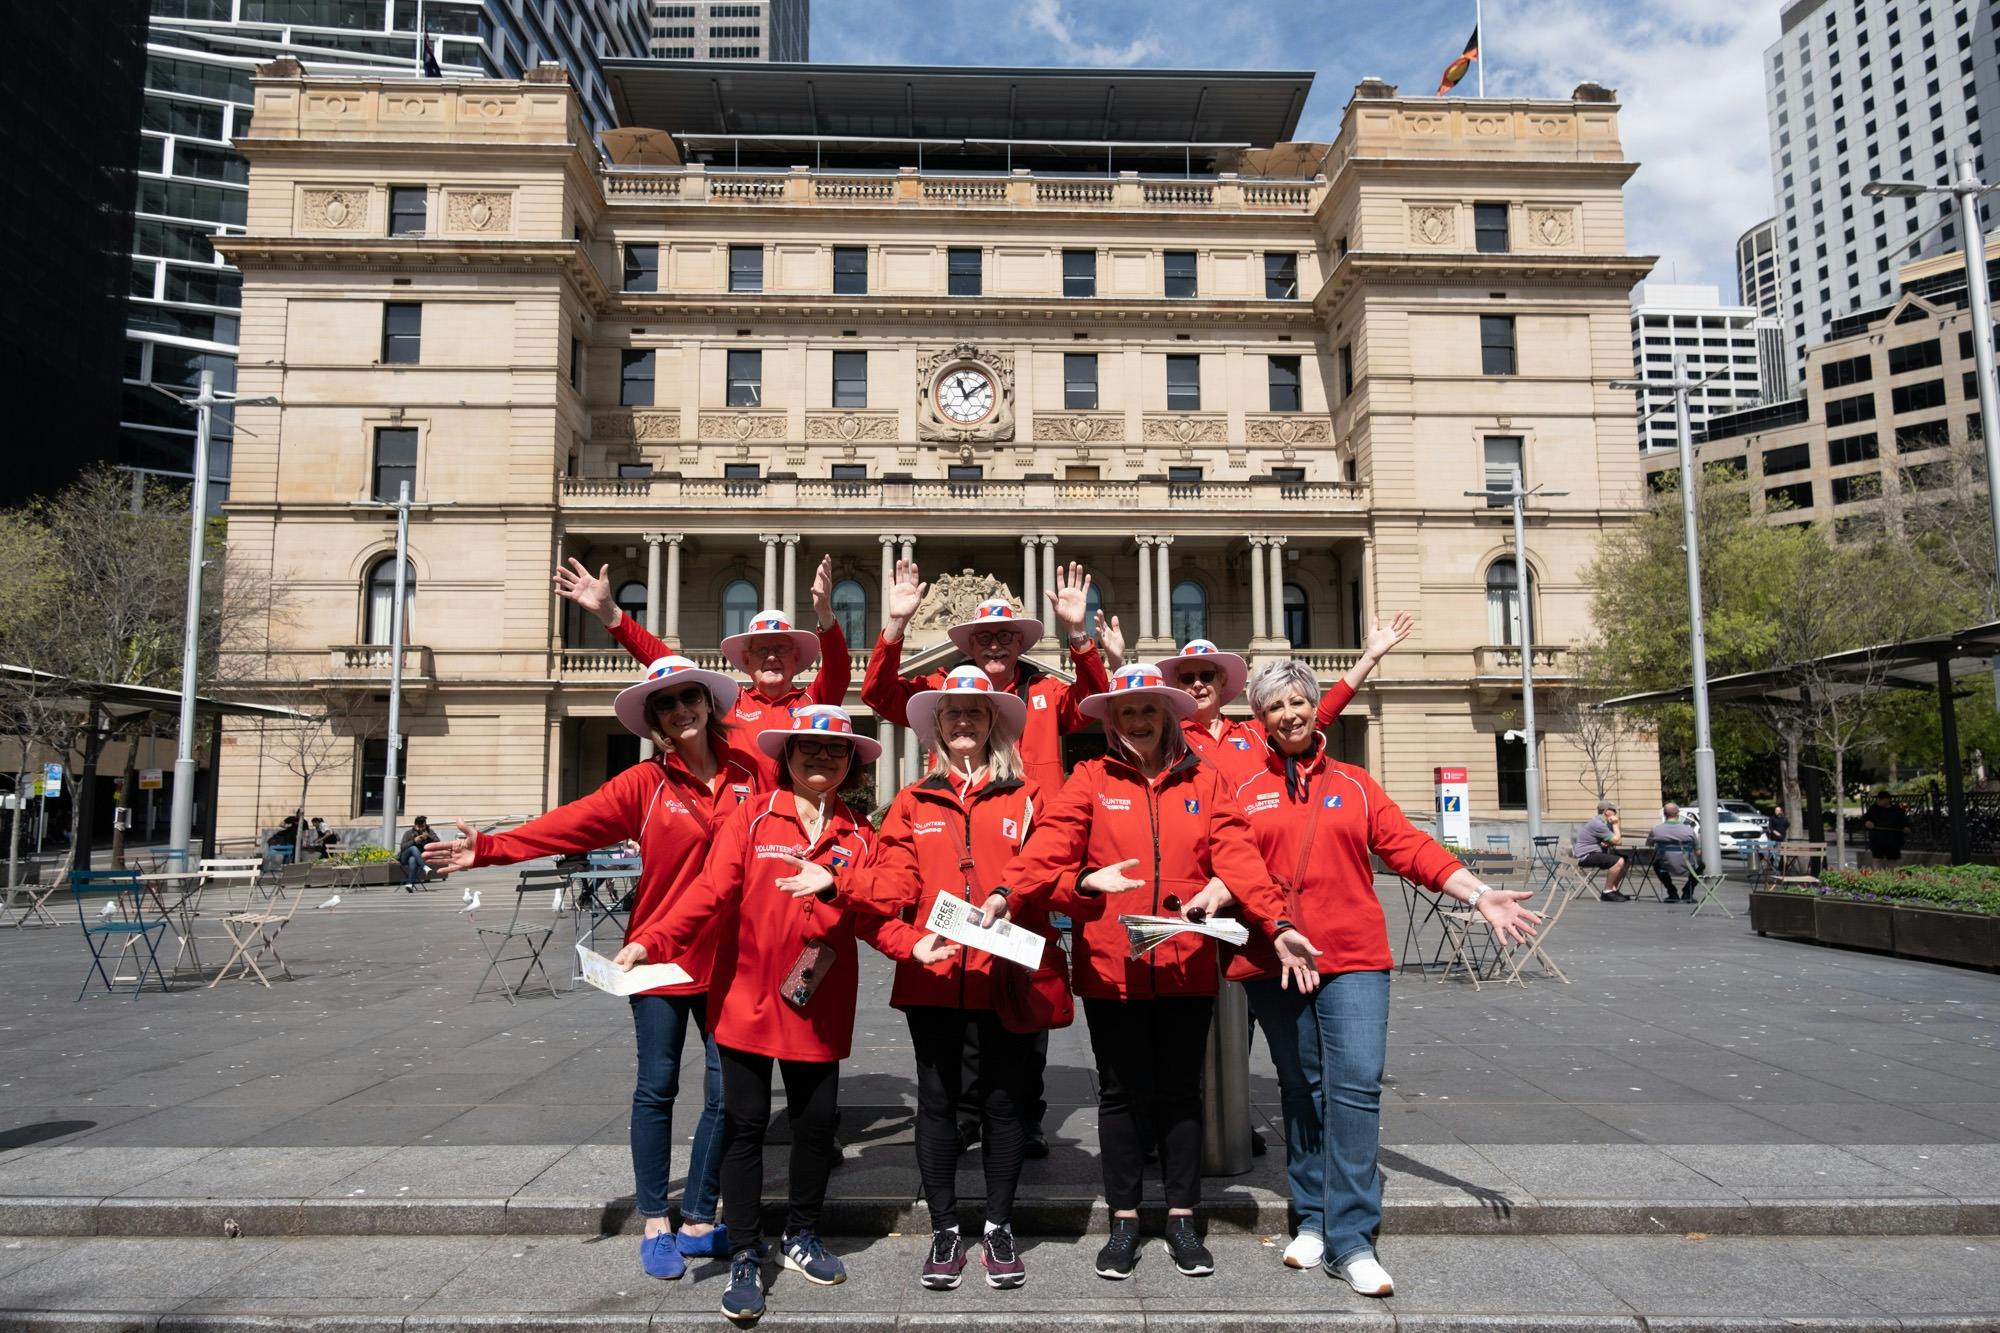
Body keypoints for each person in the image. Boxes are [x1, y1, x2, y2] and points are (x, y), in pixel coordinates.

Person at [423, 654, 765, 1284]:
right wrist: (489, 849)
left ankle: (696, 1217)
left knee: (727, 1095)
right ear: (655, 720)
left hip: (734, 959)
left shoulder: (753, 774)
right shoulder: (643, 785)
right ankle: (654, 1220)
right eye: (665, 704)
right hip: (655, 958)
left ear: (708, 703)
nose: (680, 710)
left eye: (689, 696)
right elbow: (567, 826)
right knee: (656, 1088)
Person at [611, 705, 950, 1325]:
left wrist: (914, 944)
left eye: (835, 751)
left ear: (850, 764)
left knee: (816, 1128)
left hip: (816, 1005)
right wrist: (651, 940)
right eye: (809, 749)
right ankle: (744, 1252)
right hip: (745, 997)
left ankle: (800, 1235)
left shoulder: (858, 834)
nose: (822, 758)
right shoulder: (753, 815)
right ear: (787, 758)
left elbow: (872, 918)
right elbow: (710, 893)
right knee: (742, 1126)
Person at [1223, 659, 1540, 1295]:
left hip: (1353, 958)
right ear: (1259, 718)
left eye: (1298, 701)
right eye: (1274, 706)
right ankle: (1310, 1218)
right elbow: (1230, 859)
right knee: (1302, 1089)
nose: (1289, 713)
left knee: (1356, 1086)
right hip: (1275, 958)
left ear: (1315, 708)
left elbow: (1410, 847)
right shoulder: (1242, 788)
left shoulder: (1356, 784)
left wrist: (1476, 894)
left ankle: (1351, 1238)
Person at [1000, 663, 1295, 1282]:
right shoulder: (1088, 779)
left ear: (1168, 719)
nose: (1137, 721)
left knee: (1181, 1093)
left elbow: (1238, 856)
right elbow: (1049, 847)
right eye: (1126, 712)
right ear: (1112, 722)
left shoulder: (1205, 780)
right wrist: (1013, 890)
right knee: (1121, 1094)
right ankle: (1125, 1220)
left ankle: (1183, 1218)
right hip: (1113, 966)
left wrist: (1275, 920)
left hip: (1187, 961)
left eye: (1149, 711)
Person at [774, 667, 1046, 1293]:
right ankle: (947, 1229)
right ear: (936, 728)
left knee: (1005, 1106)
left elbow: (1044, 869)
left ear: (993, 723)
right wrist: (837, 880)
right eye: (951, 713)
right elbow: (897, 884)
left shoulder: (1027, 796)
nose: (963, 722)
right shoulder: (913, 801)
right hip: (934, 972)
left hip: (1004, 974)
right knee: (939, 1104)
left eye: (975, 712)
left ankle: (999, 1227)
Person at [554, 554, 851, 762]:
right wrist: (610, 613)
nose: (771, 656)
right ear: (746, 660)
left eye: (780, 649)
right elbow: (664, 660)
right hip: (735, 833)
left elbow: (838, 670)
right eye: (761, 650)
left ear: (797, 657)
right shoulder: (726, 702)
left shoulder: (812, 702)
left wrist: (824, 614)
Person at [864, 559, 1112, 794]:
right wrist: (896, 623)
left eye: (1004, 636)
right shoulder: (941, 690)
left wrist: (1078, 632)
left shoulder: (1046, 692)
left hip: (1037, 830)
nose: (994, 646)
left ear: (1019, 642)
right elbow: (879, 695)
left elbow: (1094, 701)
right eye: (984, 637)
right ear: (971, 645)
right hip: (962, 823)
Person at [1155, 612, 1415, 785]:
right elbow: (1127, 721)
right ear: (1178, 684)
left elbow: (1319, 714)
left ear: (1221, 680)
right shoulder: (1169, 737)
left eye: (1206, 675)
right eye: (1188, 678)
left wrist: (1369, 658)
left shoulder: (1253, 734)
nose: (1198, 684)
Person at [1573, 800, 1632, 901]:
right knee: (1619, 861)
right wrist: (1616, 824)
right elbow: (1617, 841)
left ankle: (1613, 889)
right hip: (1585, 856)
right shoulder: (1598, 824)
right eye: (1614, 810)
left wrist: (1608, 841)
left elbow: (1612, 840)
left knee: (1625, 860)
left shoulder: (1602, 823)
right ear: (1606, 811)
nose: (1616, 813)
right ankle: (1607, 891)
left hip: (1593, 853)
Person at [1646, 803, 1701, 902]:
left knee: (1656, 865)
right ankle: (1688, 892)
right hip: (1687, 866)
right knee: (1701, 866)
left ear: (1664, 814)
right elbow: (1698, 852)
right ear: (1678, 814)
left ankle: (1672, 892)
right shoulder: (1689, 831)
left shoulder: (1656, 830)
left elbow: (1648, 845)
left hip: (1665, 865)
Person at [1863, 790, 1906, 865]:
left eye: (1882, 800)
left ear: (1888, 799)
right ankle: (1878, 875)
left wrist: (1906, 827)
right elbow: (1865, 819)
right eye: (1879, 800)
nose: (1879, 801)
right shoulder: (1874, 809)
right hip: (1877, 839)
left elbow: (1904, 822)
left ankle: (1892, 875)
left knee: (1892, 860)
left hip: (1893, 840)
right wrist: (1867, 823)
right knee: (1877, 859)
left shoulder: (1896, 810)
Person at [397, 816, 438, 890]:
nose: (421, 828)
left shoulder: (429, 832)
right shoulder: (409, 833)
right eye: (419, 826)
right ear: (415, 825)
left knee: (412, 860)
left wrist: (428, 838)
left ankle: (409, 884)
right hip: (404, 857)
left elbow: (437, 843)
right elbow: (402, 847)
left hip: (418, 858)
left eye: (423, 826)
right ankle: (425, 867)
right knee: (413, 848)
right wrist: (414, 841)